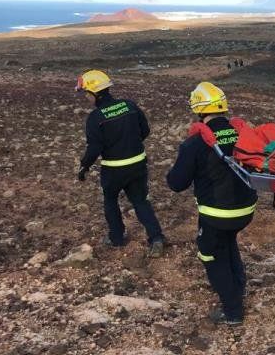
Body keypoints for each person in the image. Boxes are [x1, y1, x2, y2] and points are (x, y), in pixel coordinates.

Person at [167, 82, 258, 325]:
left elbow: (176, 183)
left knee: (210, 254)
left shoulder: (195, 144)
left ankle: (233, 312)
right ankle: (237, 292)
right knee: (228, 244)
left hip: (216, 214)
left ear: (198, 109)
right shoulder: (242, 134)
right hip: (246, 210)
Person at [76, 70, 165, 257]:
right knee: (141, 201)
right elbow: (145, 130)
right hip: (138, 165)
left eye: (86, 93)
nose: (86, 97)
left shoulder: (95, 118)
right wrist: (131, 143)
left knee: (110, 201)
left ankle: (116, 238)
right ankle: (156, 237)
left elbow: (95, 148)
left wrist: (84, 166)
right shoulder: (129, 105)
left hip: (113, 169)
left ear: (95, 93)